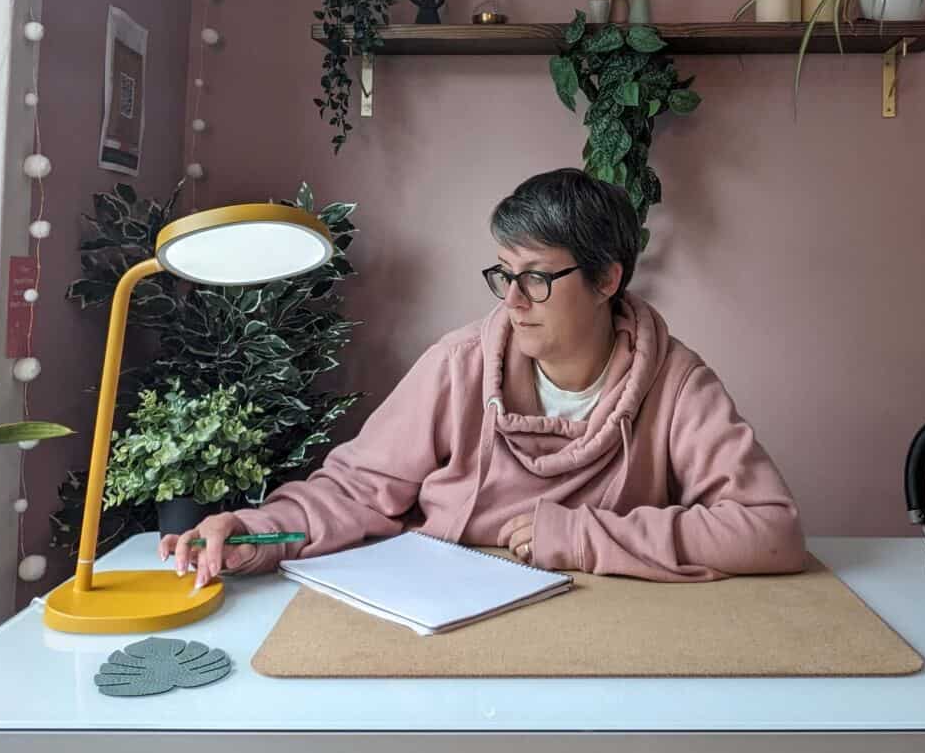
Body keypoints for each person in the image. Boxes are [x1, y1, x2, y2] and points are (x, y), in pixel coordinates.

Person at [160, 168, 808, 589]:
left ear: (607, 279)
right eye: (504, 274)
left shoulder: (675, 382)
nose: (513, 301)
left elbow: (770, 530)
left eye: (536, 278)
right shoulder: (460, 362)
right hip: (442, 611)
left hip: (612, 624)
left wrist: (585, 535)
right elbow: (358, 491)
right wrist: (253, 530)